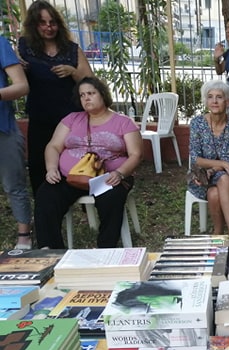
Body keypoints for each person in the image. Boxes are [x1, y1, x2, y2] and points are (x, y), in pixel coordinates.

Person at [35, 77, 142, 248]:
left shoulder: (123, 122)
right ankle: (50, 249)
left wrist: (120, 173)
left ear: (103, 95)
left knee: (111, 199)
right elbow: (54, 146)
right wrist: (51, 168)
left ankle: (105, 248)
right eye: (82, 95)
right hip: (70, 176)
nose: (86, 98)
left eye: (91, 93)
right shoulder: (72, 119)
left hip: (108, 178)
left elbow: (136, 154)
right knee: (46, 194)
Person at [18, 0, 93, 196]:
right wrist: (20, 69)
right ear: (34, 25)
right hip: (40, 116)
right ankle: (46, 209)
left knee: (80, 163)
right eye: (43, 23)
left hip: (71, 118)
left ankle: (88, 206)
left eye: (52, 22)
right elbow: (17, 80)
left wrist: (73, 72)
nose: (49, 27)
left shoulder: (71, 49)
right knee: (39, 166)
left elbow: (91, 83)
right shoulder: (25, 47)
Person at [188, 80, 229, 236]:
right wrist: (224, 164)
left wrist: (216, 168)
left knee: (218, 187)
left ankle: (219, 233)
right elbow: (195, 158)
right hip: (201, 177)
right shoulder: (197, 123)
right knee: (222, 180)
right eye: (210, 97)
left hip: (228, 177)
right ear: (205, 100)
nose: (214, 101)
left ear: (228, 101)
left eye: (219, 97)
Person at [0, 36, 32, 250]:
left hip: (3, 127)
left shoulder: (0, 43)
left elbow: (22, 86)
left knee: (14, 184)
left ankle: (25, 235)